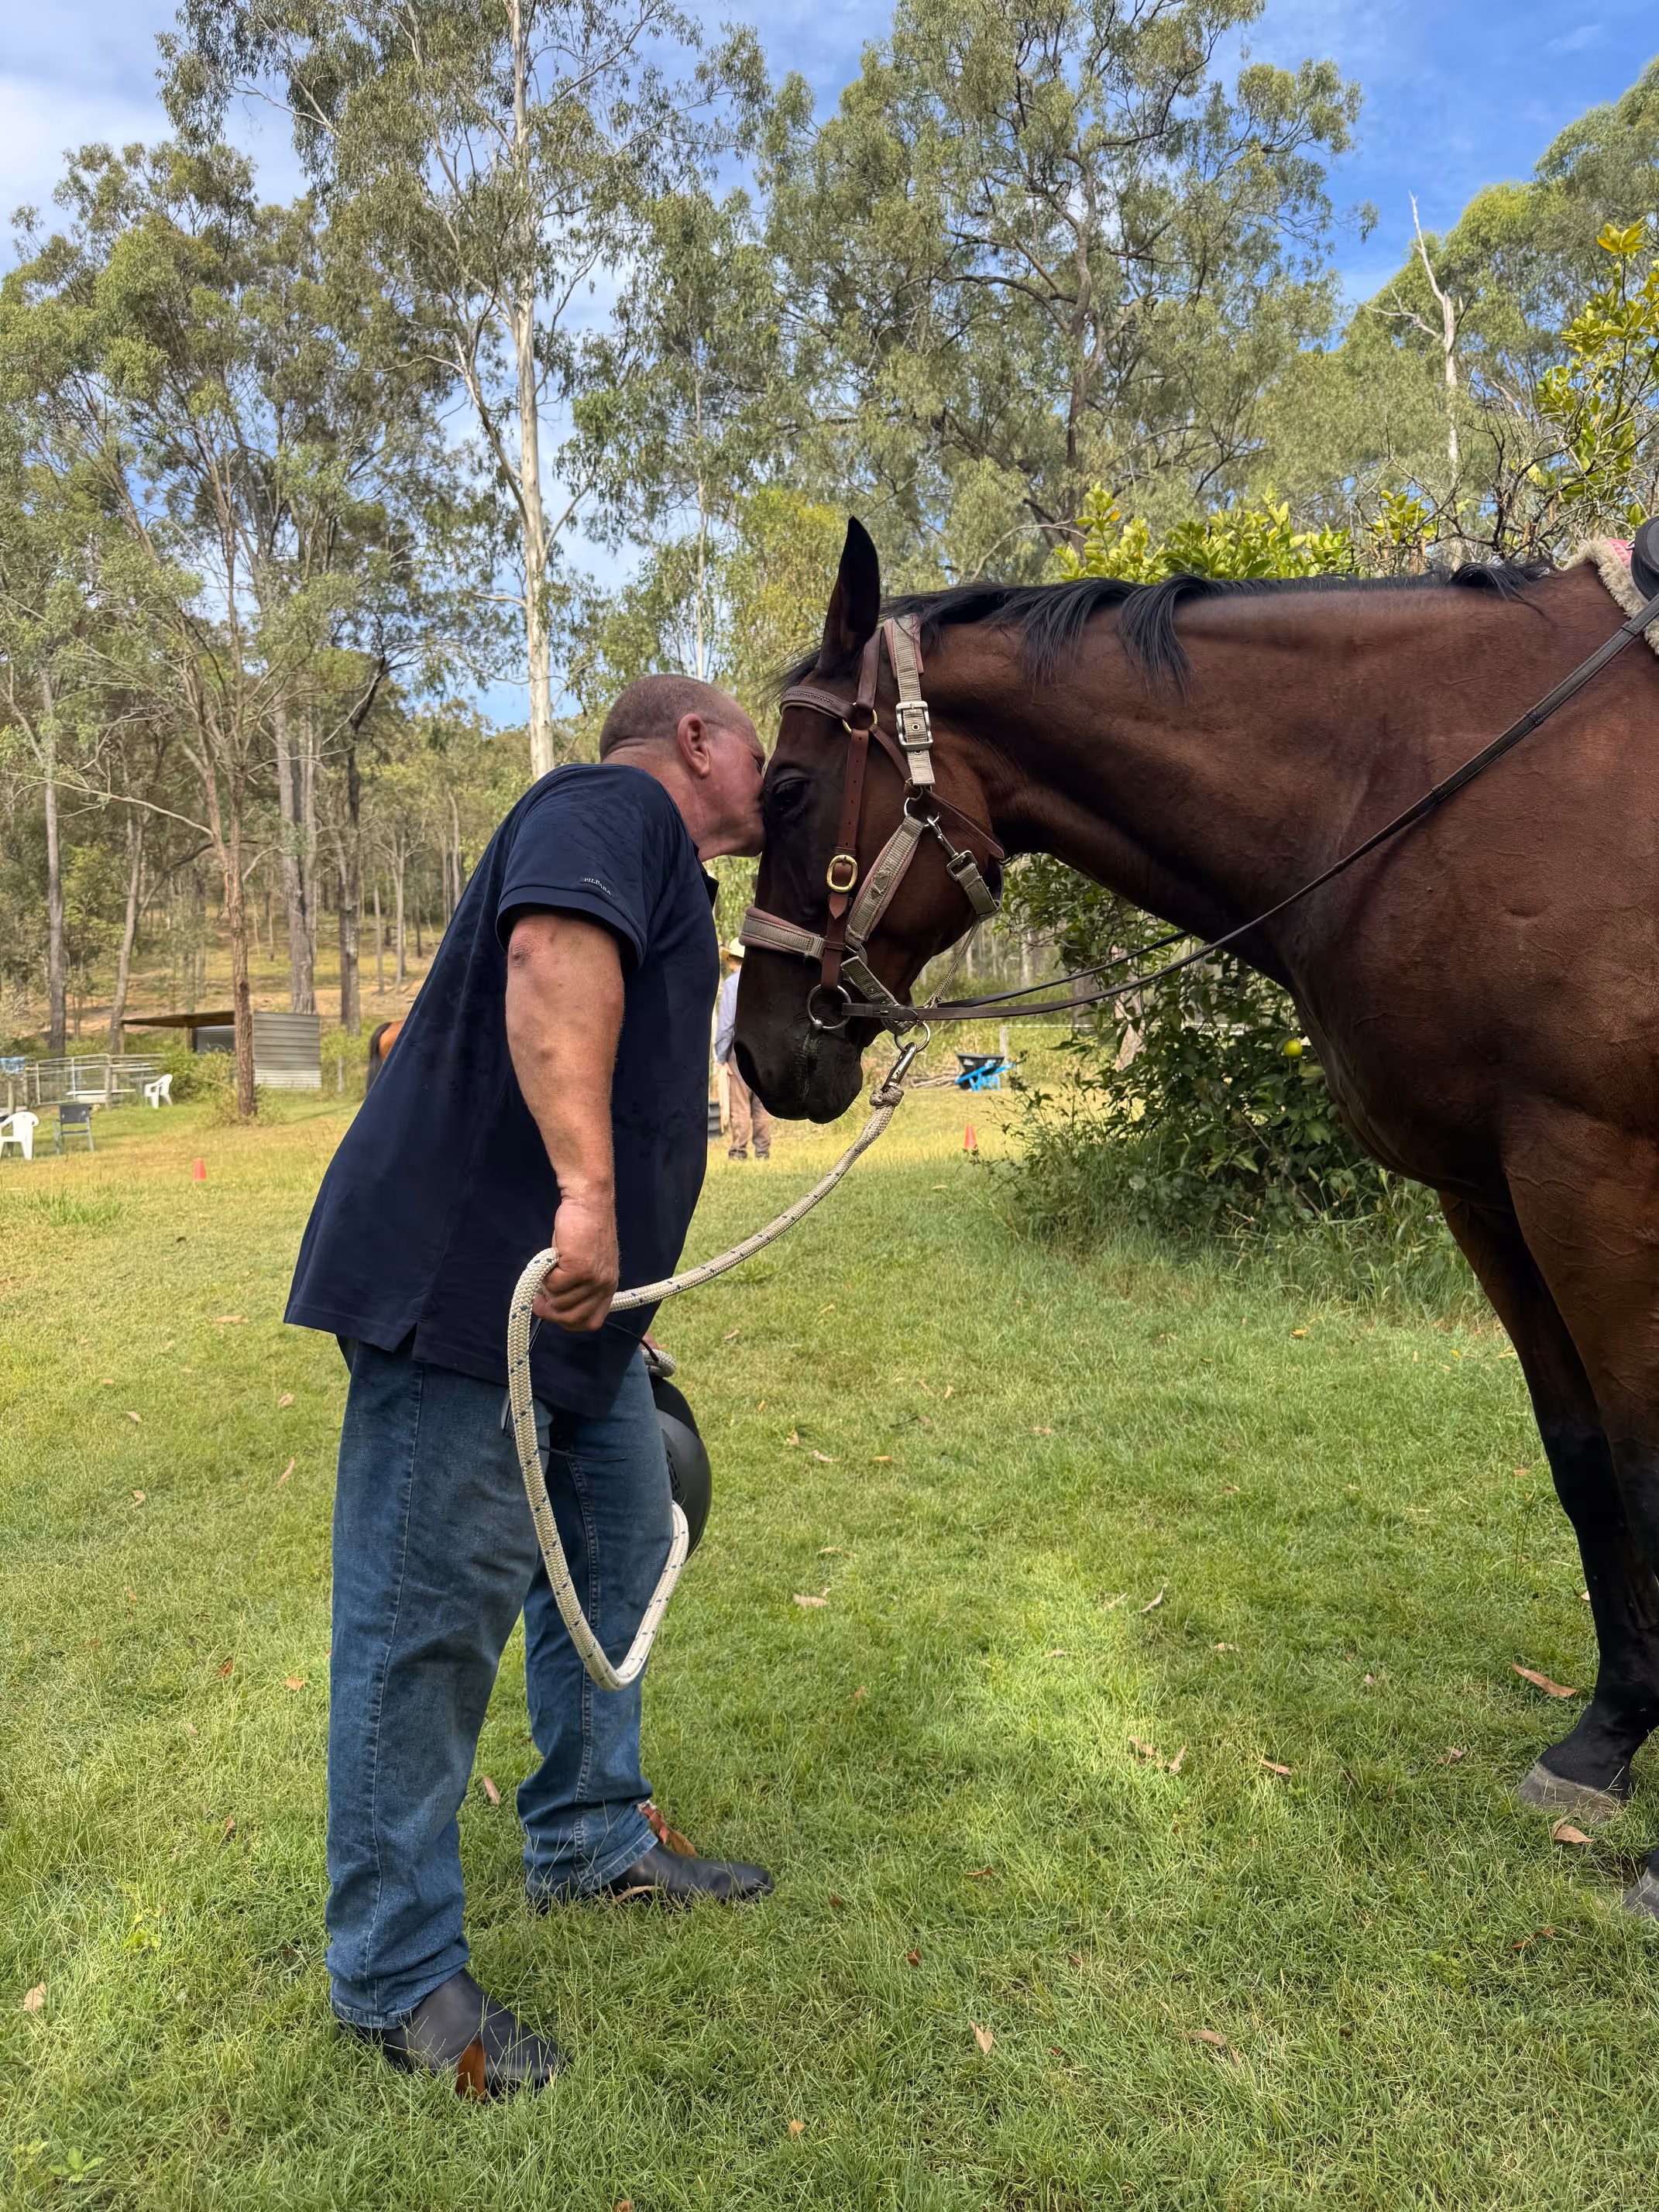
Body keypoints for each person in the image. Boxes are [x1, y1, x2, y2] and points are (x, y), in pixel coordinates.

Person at [285, 675, 771, 2097]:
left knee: (627, 1535)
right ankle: (391, 1974)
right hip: (468, 1295)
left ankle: (588, 1839)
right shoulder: (609, 804)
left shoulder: (657, 854)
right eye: (756, 743)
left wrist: (622, 1304)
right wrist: (583, 1198)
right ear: (694, 741)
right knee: (424, 1626)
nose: (772, 769)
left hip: (580, 1318)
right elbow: (553, 957)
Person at [714, 940, 772, 1161]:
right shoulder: (764, 982)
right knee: (761, 1105)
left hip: (741, 1051)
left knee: (740, 1105)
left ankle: (738, 1152)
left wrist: (720, 1057)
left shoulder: (731, 984)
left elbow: (727, 1023)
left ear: (730, 960)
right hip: (766, 1051)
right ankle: (763, 1153)